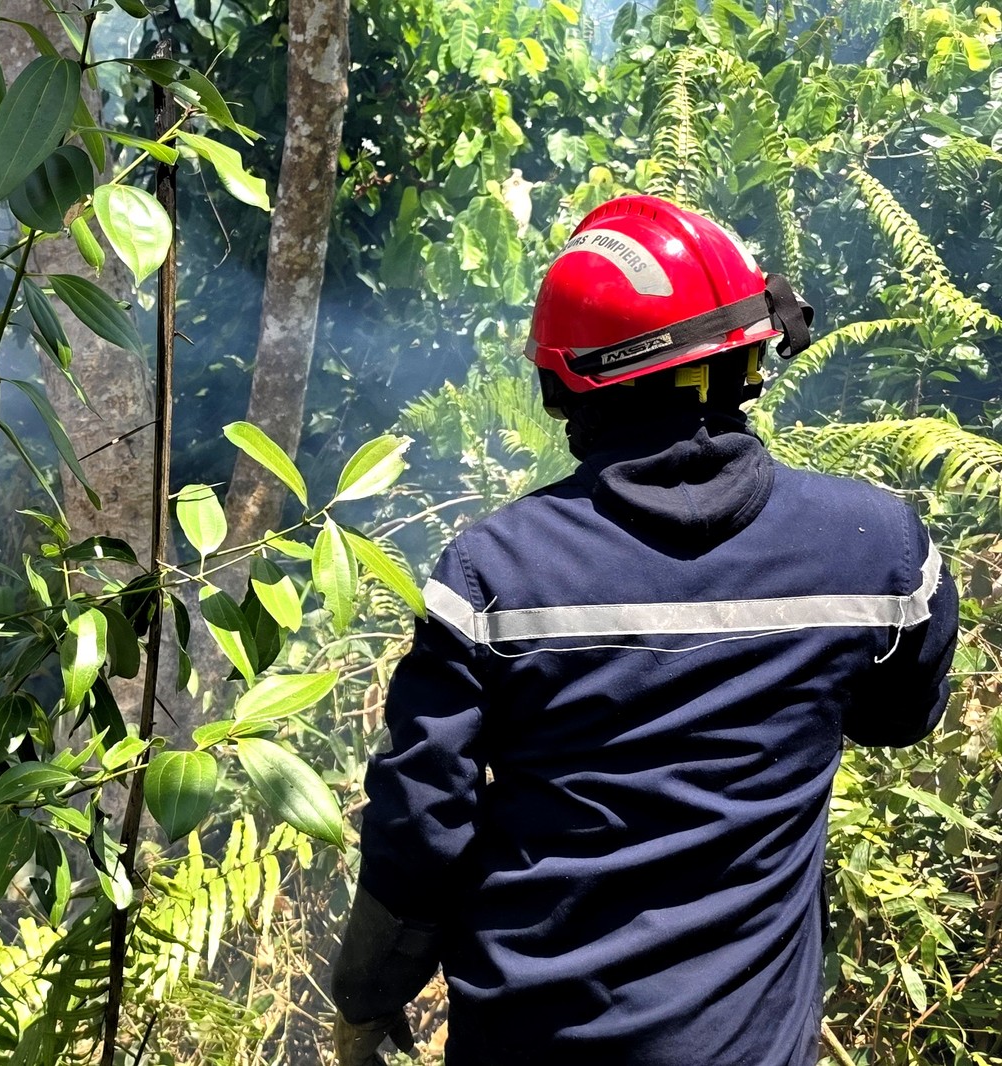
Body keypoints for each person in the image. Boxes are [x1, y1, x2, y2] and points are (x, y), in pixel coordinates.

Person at [330, 195, 960, 1065]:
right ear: (754, 353)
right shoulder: (877, 549)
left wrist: (367, 989)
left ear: (562, 387)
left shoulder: (493, 574)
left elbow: (421, 825)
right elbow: (899, 716)